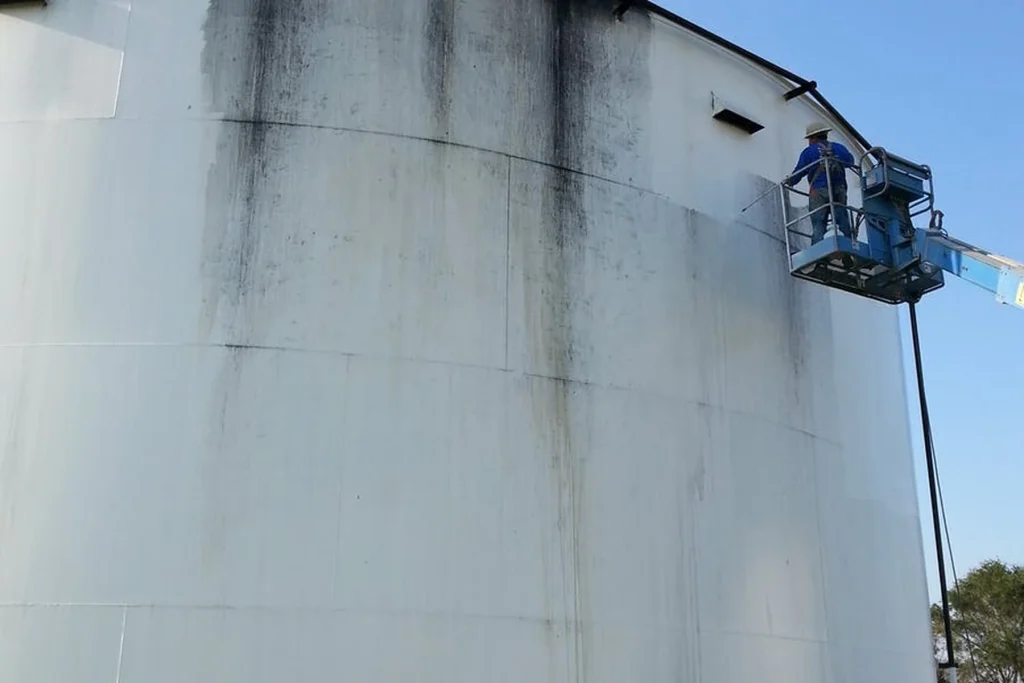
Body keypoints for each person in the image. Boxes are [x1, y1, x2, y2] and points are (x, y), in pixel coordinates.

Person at [787, 122, 855, 244]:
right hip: (839, 188)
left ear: (814, 137)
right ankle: (848, 244)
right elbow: (850, 161)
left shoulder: (809, 151)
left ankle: (818, 248)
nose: (809, 141)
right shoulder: (839, 148)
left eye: (809, 139)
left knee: (819, 221)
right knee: (841, 217)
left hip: (818, 190)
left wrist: (790, 181)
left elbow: (800, 170)